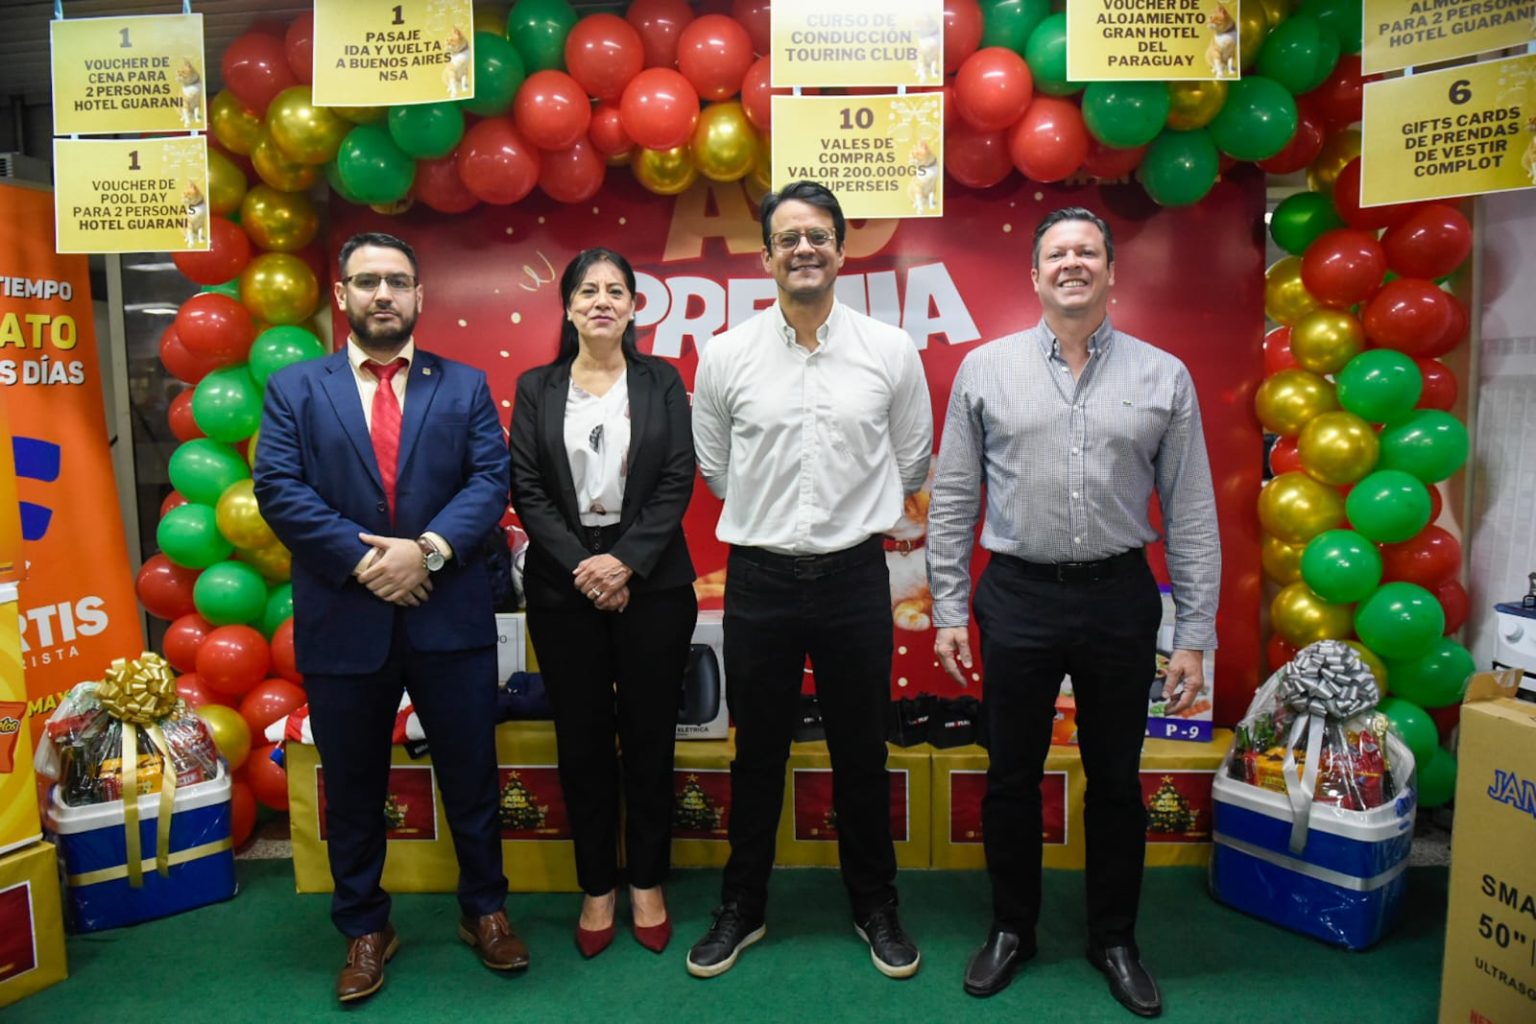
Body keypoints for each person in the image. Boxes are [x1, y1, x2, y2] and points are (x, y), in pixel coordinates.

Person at [925, 206, 1220, 1018]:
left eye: (1088, 251)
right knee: (1011, 776)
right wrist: (948, 605)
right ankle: (1011, 929)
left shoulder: (1164, 376)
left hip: (1120, 600)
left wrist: (1194, 633)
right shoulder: (986, 371)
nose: (1072, 263)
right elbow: (953, 497)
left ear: (1111, 271)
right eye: (1057, 253)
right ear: (1035, 274)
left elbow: (1191, 510)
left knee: (1117, 780)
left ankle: (1114, 938)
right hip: (1016, 596)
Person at [254, 232, 527, 1004]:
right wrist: (371, 562)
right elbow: (279, 488)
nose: (383, 294)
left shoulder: (464, 384)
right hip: (345, 619)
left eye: (398, 282)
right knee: (352, 786)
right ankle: (365, 926)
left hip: (450, 618)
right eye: (368, 281)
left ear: (418, 296)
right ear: (342, 294)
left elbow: (489, 480)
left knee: (472, 776)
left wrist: (427, 552)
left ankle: (485, 910)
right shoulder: (296, 389)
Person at [688, 180, 934, 980]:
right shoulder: (726, 355)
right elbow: (716, 470)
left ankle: (875, 905)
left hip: (854, 579)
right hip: (758, 579)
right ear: (766, 257)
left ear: (840, 250)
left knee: (862, 751)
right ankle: (743, 906)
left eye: (819, 236)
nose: (804, 249)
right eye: (788, 237)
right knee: (757, 752)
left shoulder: (889, 350)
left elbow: (912, 462)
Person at [508, 248, 698, 958]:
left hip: (652, 581)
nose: (602, 301)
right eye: (588, 290)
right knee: (582, 741)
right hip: (564, 584)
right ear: (567, 306)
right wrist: (583, 565)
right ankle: (597, 886)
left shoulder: (661, 380)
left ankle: (646, 880)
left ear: (633, 306)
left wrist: (625, 562)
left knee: (650, 738)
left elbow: (677, 477)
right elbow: (527, 486)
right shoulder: (537, 386)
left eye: (616, 290)